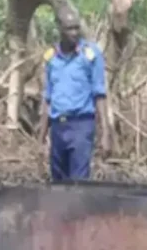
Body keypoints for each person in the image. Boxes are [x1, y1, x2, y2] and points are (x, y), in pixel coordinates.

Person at [38, 16, 110, 181]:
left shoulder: (90, 55)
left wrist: (105, 133)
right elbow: (48, 99)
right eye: (70, 29)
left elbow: (100, 94)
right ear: (60, 30)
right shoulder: (51, 58)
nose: (74, 33)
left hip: (81, 125)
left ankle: (78, 207)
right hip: (58, 127)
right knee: (58, 182)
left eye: (77, 28)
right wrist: (40, 140)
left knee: (78, 182)